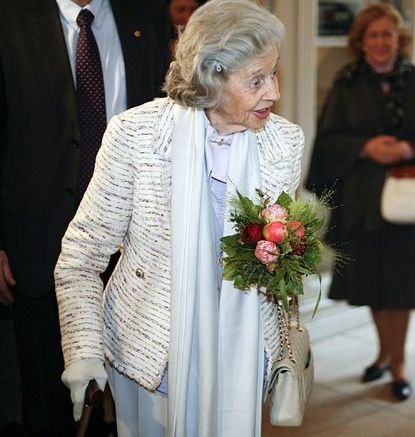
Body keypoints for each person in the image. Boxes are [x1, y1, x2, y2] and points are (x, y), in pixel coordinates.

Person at [53, 0, 304, 435]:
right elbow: (81, 255)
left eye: (274, 73)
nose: (274, 93)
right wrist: (82, 349)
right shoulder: (135, 135)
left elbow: (277, 264)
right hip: (149, 356)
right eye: (256, 80)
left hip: (242, 358)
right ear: (211, 76)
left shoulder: (284, 142)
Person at [0, 1, 169, 435]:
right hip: (38, 240)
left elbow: (169, 115)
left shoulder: (146, 14)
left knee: (136, 401)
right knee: (51, 400)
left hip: (136, 245)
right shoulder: (11, 16)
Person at [305, 3, 415, 401]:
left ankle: (400, 362)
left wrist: (407, 146)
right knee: (373, 283)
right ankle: (384, 352)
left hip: (406, 202)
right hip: (362, 200)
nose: (380, 42)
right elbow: (329, 142)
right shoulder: (346, 82)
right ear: (361, 40)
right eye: (372, 35)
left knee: (401, 286)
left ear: (398, 38)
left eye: (387, 34)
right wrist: (367, 148)